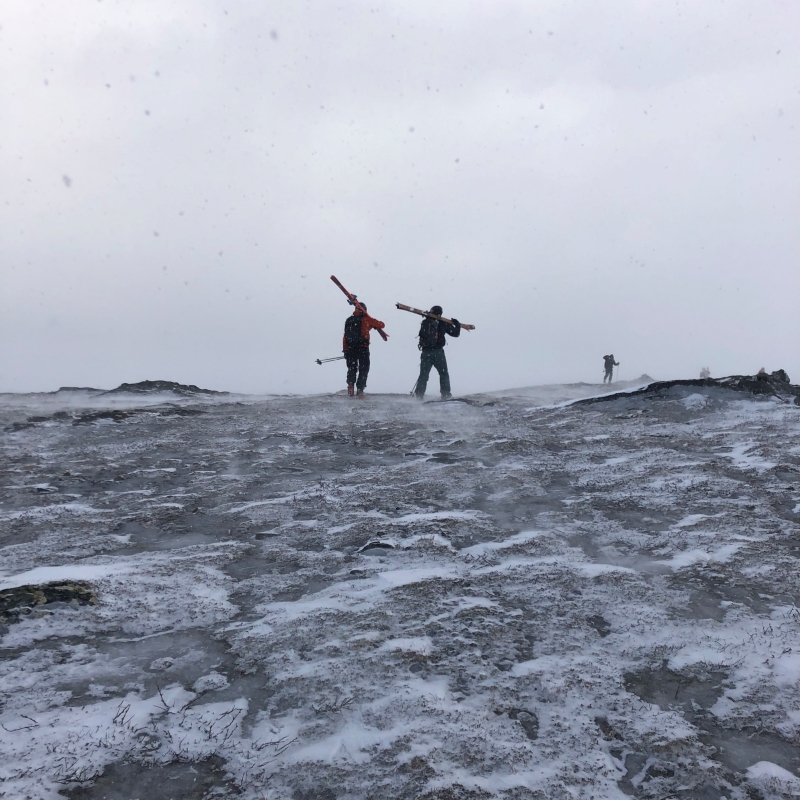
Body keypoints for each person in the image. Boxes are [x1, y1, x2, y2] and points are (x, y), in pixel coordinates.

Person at [414, 306, 460, 399]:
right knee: (443, 373)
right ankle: (446, 393)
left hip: (426, 352)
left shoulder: (426, 322)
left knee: (424, 374)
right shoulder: (442, 323)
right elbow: (455, 333)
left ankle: (419, 395)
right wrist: (457, 324)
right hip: (438, 352)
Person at [342, 304, 385, 398]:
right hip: (363, 348)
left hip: (350, 349)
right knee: (363, 369)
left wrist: (345, 349)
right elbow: (382, 325)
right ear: (364, 310)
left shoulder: (349, 320)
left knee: (352, 368)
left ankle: (350, 386)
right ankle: (360, 391)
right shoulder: (366, 320)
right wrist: (372, 324)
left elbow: (345, 336)